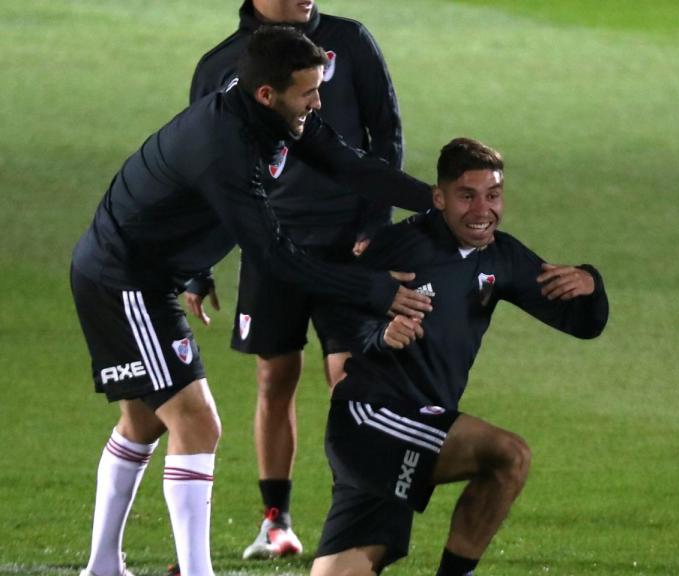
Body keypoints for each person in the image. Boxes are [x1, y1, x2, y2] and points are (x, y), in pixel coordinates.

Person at [72, 26, 433, 576]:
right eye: (309, 92)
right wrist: (377, 290)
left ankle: (101, 567)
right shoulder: (225, 145)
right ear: (267, 93)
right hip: (125, 279)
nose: (318, 102)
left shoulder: (272, 116)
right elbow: (276, 257)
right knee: (197, 423)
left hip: (143, 275)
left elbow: (349, 163)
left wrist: (434, 201)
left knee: (144, 423)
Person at [308, 138, 609, 576]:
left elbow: (582, 323)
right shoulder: (400, 246)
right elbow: (334, 308)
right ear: (439, 197)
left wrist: (591, 283)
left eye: (493, 195)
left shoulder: (501, 257)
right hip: (370, 418)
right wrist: (379, 336)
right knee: (509, 455)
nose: (482, 210)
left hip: (412, 425)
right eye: (467, 196)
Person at [186, 0, 405, 559]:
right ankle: (275, 523)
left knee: (350, 380)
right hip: (270, 247)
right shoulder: (220, 64)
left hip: (346, 245)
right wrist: (196, 263)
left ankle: (351, 518)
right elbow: (201, 167)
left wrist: (376, 222)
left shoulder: (350, 41)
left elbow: (386, 131)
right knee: (273, 377)